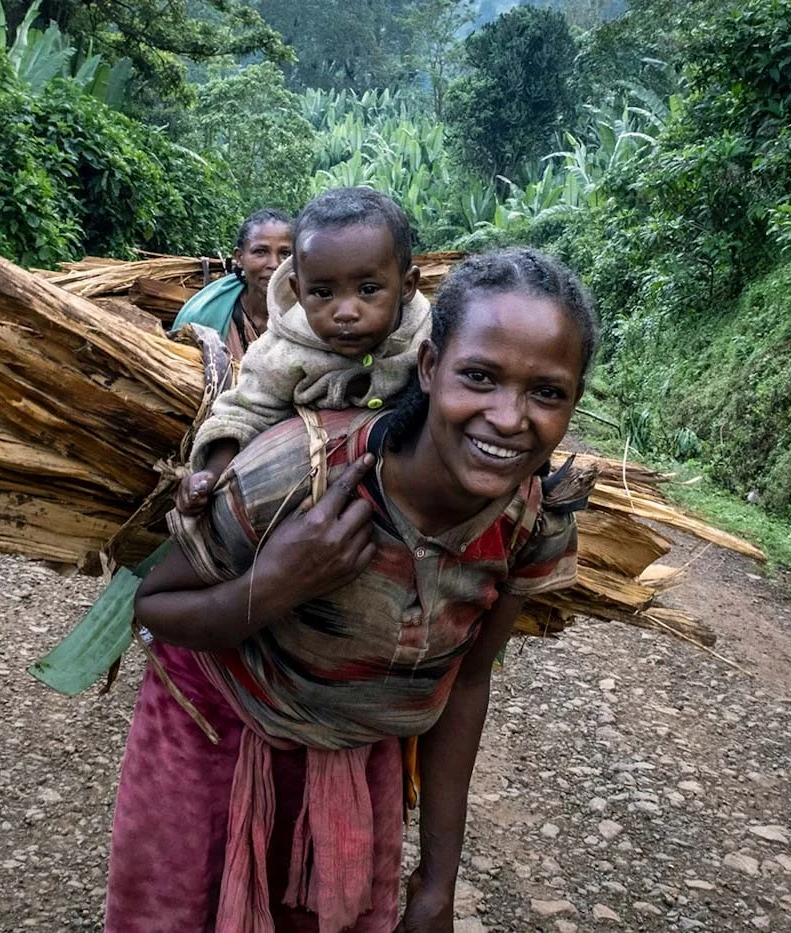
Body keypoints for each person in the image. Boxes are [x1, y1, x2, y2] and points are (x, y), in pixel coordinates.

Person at [107, 247, 600, 932]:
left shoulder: (530, 523)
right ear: (429, 367)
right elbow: (153, 609)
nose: (509, 417)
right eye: (479, 377)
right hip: (219, 730)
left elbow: (466, 684)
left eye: (546, 392)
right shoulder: (296, 472)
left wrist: (436, 882)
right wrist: (276, 583)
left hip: (358, 757)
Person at [178, 188, 432, 516]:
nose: (345, 311)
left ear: (408, 286)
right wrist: (210, 473)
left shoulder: (427, 335)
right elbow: (243, 411)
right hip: (306, 493)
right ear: (298, 291)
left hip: (403, 491)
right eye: (323, 293)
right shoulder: (281, 351)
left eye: (368, 290)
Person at [172, 208, 293, 359]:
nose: (275, 264)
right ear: (240, 258)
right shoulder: (204, 316)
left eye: (286, 253)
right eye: (260, 251)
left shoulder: (308, 317)